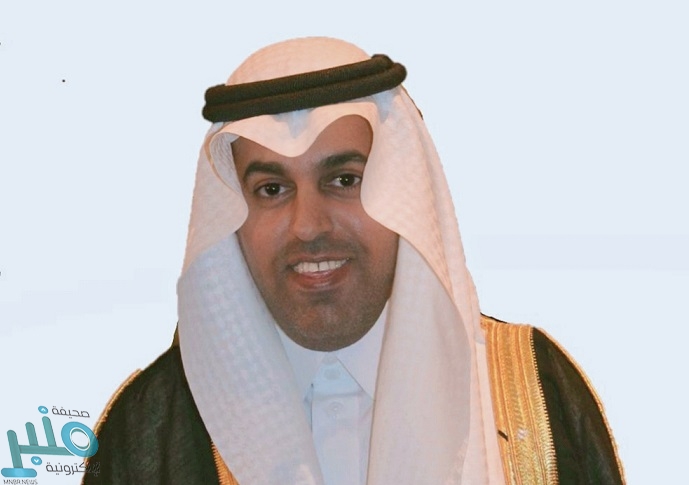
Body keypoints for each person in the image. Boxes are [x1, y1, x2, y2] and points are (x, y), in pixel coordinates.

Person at [83, 37, 624, 484]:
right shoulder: (153, 423)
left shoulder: (533, 387)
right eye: (271, 189)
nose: (309, 225)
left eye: (345, 180)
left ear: (402, 193)